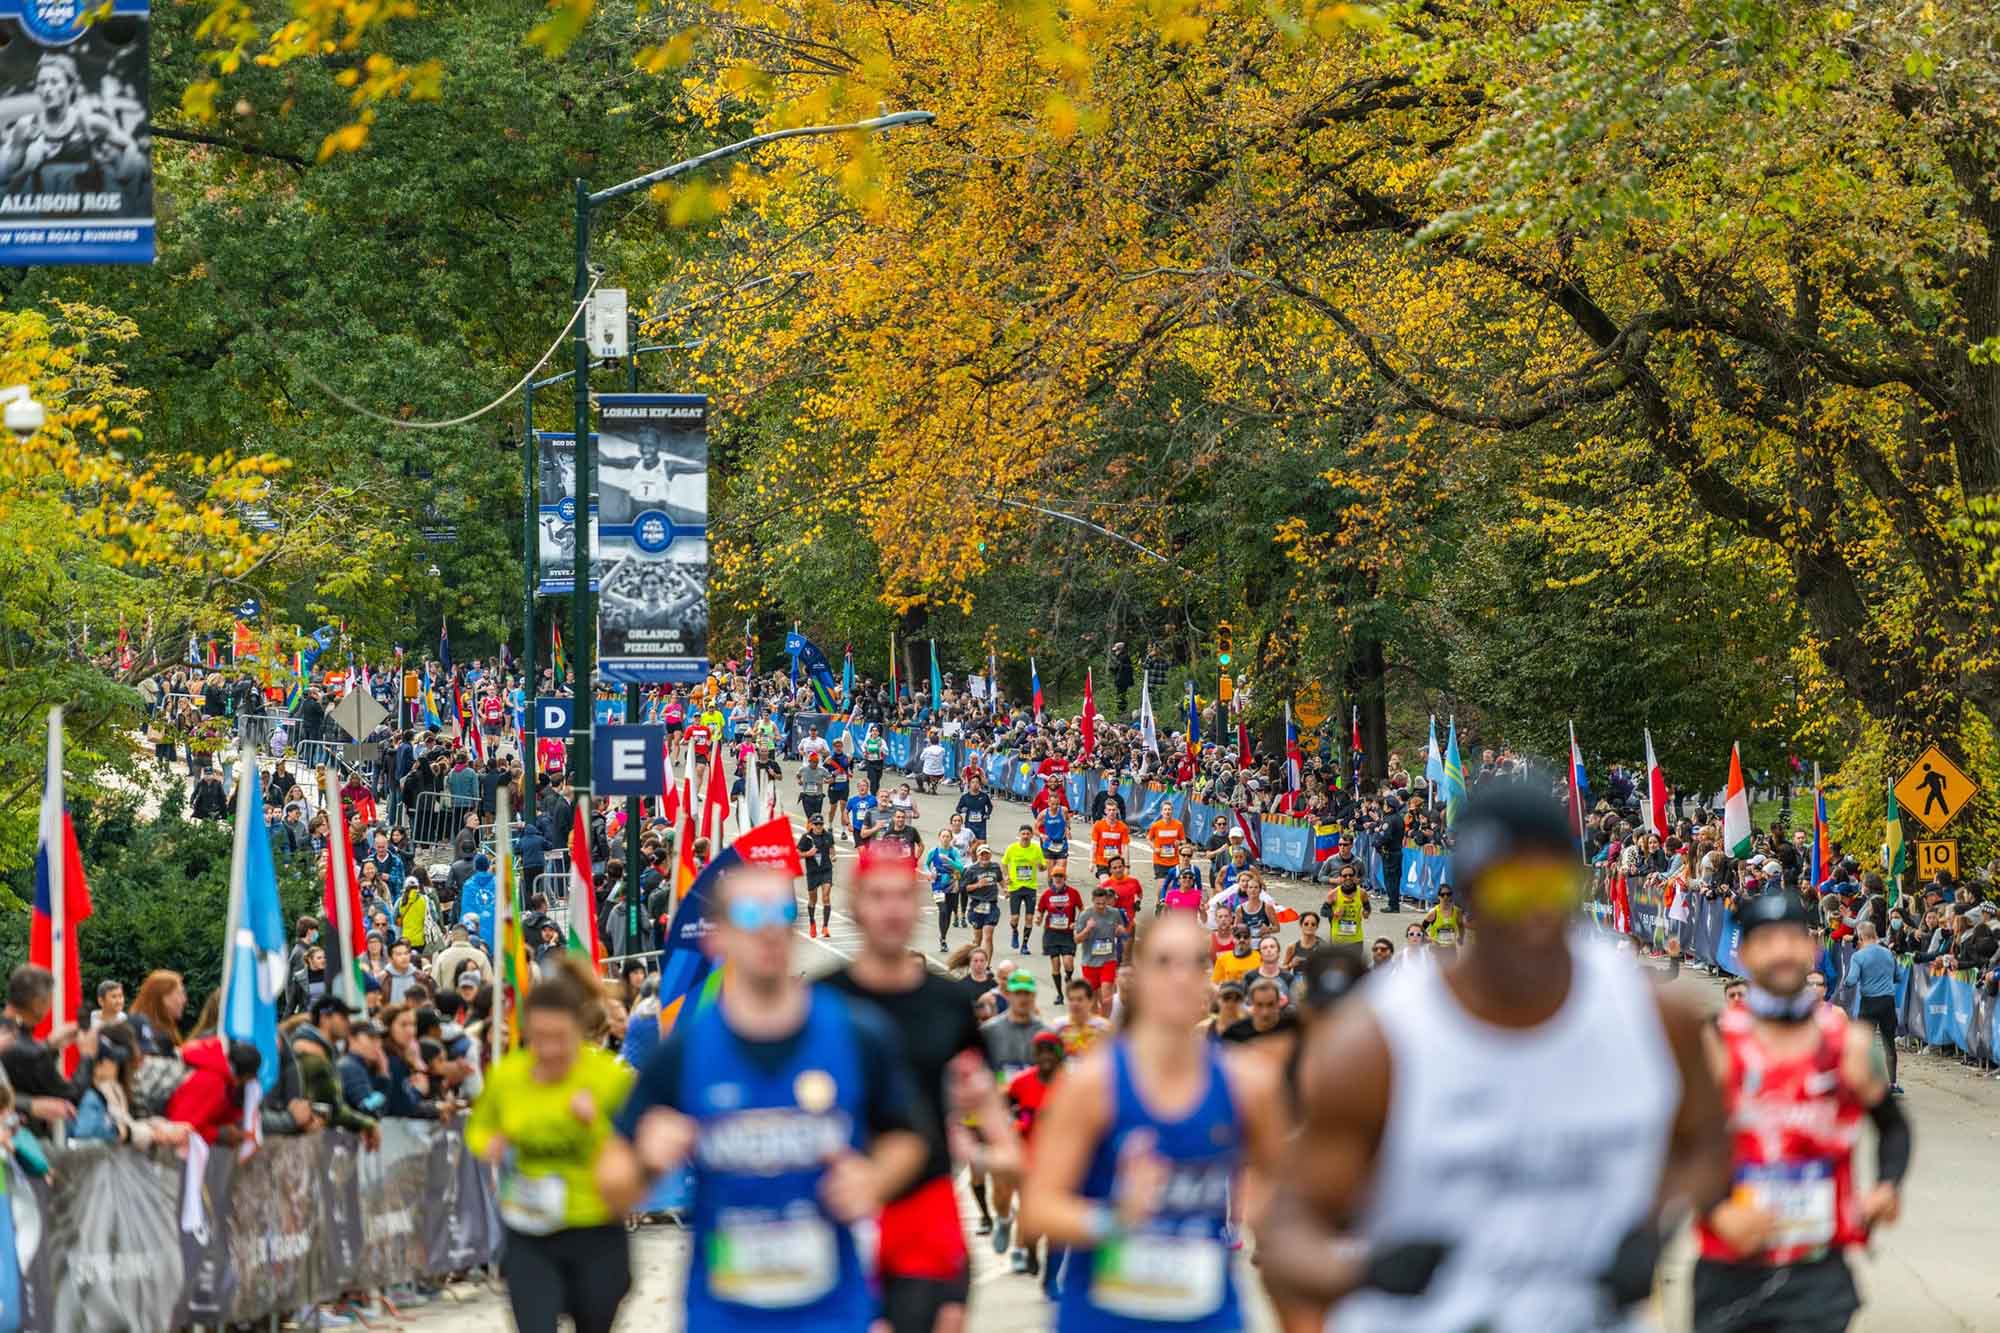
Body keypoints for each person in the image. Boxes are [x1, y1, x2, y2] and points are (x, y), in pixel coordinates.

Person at [1258, 784, 1730, 1331]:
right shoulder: (1379, 1043)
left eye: (1548, 888)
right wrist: (1368, 1271)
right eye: (1509, 892)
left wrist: (1654, 1224)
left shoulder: (1654, 1021)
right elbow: (1287, 1233)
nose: (1532, 915)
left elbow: (1708, 1144)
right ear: (1469, 899)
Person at [596, 866, 929, 1333]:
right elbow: (611, 1181)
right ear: (719, 938)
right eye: (752, 914)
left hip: (835, 1311)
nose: (770, 927)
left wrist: (875, 1180)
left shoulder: (857, 1034)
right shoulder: (684, 1052)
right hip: (724, 1314)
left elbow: (909, 1138)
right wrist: (647, 1164)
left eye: (782, 912)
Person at [1017, 910, 1289, 1326]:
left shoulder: (1248, 1084)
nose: (1179, 977)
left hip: (1206, 1314)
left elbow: (1290, 1196)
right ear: (1138, 974)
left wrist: (1264, 1207)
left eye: (1194, 962)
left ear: (1208, 979)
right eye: (1164, 962)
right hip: (1105, 1317)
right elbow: (1038, 1209)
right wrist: (1114, 1219)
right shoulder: (1093, 1085)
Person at [822, 841, 1020, 1333]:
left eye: (902, 896)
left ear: (919, 904)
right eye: (877, 896)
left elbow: (987, 1097)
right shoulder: (822, 1001)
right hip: (838, 1205)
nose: (891, 909)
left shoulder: (948, 1004)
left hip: (926, 1205)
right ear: (856, 906)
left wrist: (996, 1145)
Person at [1691, 892, 1911, 1332]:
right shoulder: (1717, 1042)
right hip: (1730, 1270)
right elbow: (1677, 1147)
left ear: (1810, 948)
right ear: (1746, 953)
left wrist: (1887, 1185)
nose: (1783, 952)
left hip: (1817, 1271)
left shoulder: (1845, 1042)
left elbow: (1893, 1125)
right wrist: (1716, 1210)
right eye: (1768, 940)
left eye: (1793, 939)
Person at [467, 959, 636, 1333]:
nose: (550, 1048)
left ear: (578, 1028)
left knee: (595, 1321)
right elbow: (478, 1129)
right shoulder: (509, 1075)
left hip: (594, 1224)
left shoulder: (606, 1076)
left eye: (560, 1037)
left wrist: (597, 1124)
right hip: (530, 1231)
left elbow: (635, 1149)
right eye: (540, 1037)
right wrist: (490, 1143)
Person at [1845, 919, 1903, 1095]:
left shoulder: (1858, 956)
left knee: (1863, 1044)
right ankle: (1892, 1083)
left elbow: (1851, 980)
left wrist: (1846, 983)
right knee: (1889, 1043)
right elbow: (1898, 976)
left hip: (1869, 1002)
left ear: (1861, 936)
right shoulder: (1888, 954)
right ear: (1875, 935)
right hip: (1887, 1001)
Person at [1038, 864, 1085, 1001]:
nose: (1058, 879)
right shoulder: (1047, 894)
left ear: (1065, 878)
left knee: (1068, 962)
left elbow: (1082, 910)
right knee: (1056, 965)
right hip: (1051, 934)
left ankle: (1068, 976)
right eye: (1055, 876)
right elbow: (1040, 910)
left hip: (1067, 933)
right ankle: (1060, 994)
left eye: (1060, 876)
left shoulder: (1073, 893)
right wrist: (1038, 918)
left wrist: (1078, 923)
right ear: (1052, 878)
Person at [1003, 823, 1049, 953]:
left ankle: (1024, 945)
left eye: (1028, 834)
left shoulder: (1036, 849)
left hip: (1030, 887)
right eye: (1023, 834)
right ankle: (1014, 931)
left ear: (1032, 835)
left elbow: (1043, 867)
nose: (1025, 836)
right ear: (1019, 835)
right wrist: (1006, 877)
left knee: (1029, 918)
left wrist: (1040, 866)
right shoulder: (1012, 848)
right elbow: (1004, 863)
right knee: (1015, 918)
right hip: (1015, 887)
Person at [798, 811, 836, 939]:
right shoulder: (806, 838)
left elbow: (831, 848)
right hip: (813, 872)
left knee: (826, 896)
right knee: (813, 900)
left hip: (826, 870)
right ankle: (812, 923)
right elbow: (797, 854)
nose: (819, 826)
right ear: (811, 825)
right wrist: (807, 854)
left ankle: (825, 926)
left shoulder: (828, 835)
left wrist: (833, 855)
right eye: (816, 824)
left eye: (820, 824)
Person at [1323, 862, 1371, 947]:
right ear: (1340, 878)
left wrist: (1366, 912)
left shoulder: (1362, 893)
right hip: (1338, 940)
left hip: (1356, 939)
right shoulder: (1333, 894)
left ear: (1355, 877)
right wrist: (1334, 914)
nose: (1348, 877)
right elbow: (1323, 911)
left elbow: (1367, 907)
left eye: (1351, 875)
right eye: (1345, 876)